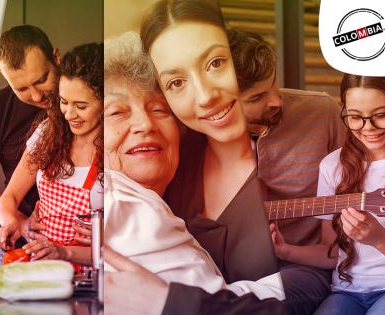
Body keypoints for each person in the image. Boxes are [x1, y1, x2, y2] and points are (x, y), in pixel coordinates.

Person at [104, 31, 284, 299]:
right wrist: (293, 283)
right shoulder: (123, 204)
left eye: (159, 110)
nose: (145, 124)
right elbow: (213, 306)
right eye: (116, 112)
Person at [142, 0, 277, 283]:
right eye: (176, 83)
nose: (205, 97)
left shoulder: (295, 148)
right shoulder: (166, 163)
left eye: (215, 63)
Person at [227, 29, 346, 314]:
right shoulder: (195, 133)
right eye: (257, 97)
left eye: (273, 85)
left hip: (303, 265)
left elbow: (356, 180)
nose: (276, 101)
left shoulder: (323, 113)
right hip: (224, 264)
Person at [273, 74, 385, 315]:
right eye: (355, 117)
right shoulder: (333, 166)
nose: (368, 127)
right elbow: (332, 253)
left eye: (381, 114)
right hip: (346, 291)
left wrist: (379, 239)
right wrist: (285, 250)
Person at [0, 43, 103, 265]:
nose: (69, 114)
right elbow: (9, 197)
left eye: (81, 106)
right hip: (39, 266)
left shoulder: (116, 152)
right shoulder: (47, 132)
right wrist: (11, 222)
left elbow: (122, 247)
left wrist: (65, 251)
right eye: (64, 102)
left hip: (88, 274)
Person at [0, 24, 60, 225]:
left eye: (42, 80)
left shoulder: (88, 94)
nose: (37, 96)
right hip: (21, 235)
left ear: (56, 58)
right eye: (21, 89)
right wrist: (20, 225)